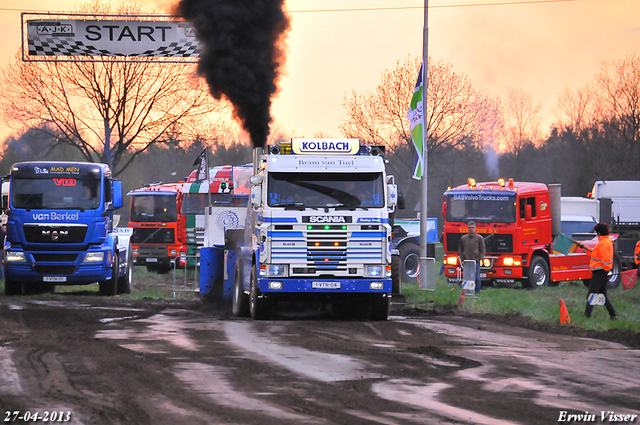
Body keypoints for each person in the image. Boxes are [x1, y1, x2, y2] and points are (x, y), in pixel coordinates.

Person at [580, 223, 617, 320]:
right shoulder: (606, 242)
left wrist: (606, 270)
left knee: (591, 294)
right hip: (602, 273)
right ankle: (613, 314)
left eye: (597, 233)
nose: (596, 235)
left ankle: (586, 316)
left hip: (600, 273)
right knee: (602, 295)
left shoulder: (603, 244)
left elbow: (605, 260)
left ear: (599, 233)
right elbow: (594, 253)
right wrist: (583, 247)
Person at [458, 220, 485, 294]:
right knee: (466, 277)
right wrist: (462, 258)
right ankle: (466, 291)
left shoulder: (479, 238)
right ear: (468, 228)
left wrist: (479, 258)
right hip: (466, 261)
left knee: (477, 278)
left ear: (475, 228)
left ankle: (477, 291)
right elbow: (460, 249)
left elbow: (482, 250)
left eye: (472, 227)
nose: (471, 229)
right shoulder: (463, 238)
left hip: (476, 261)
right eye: (470, 227)